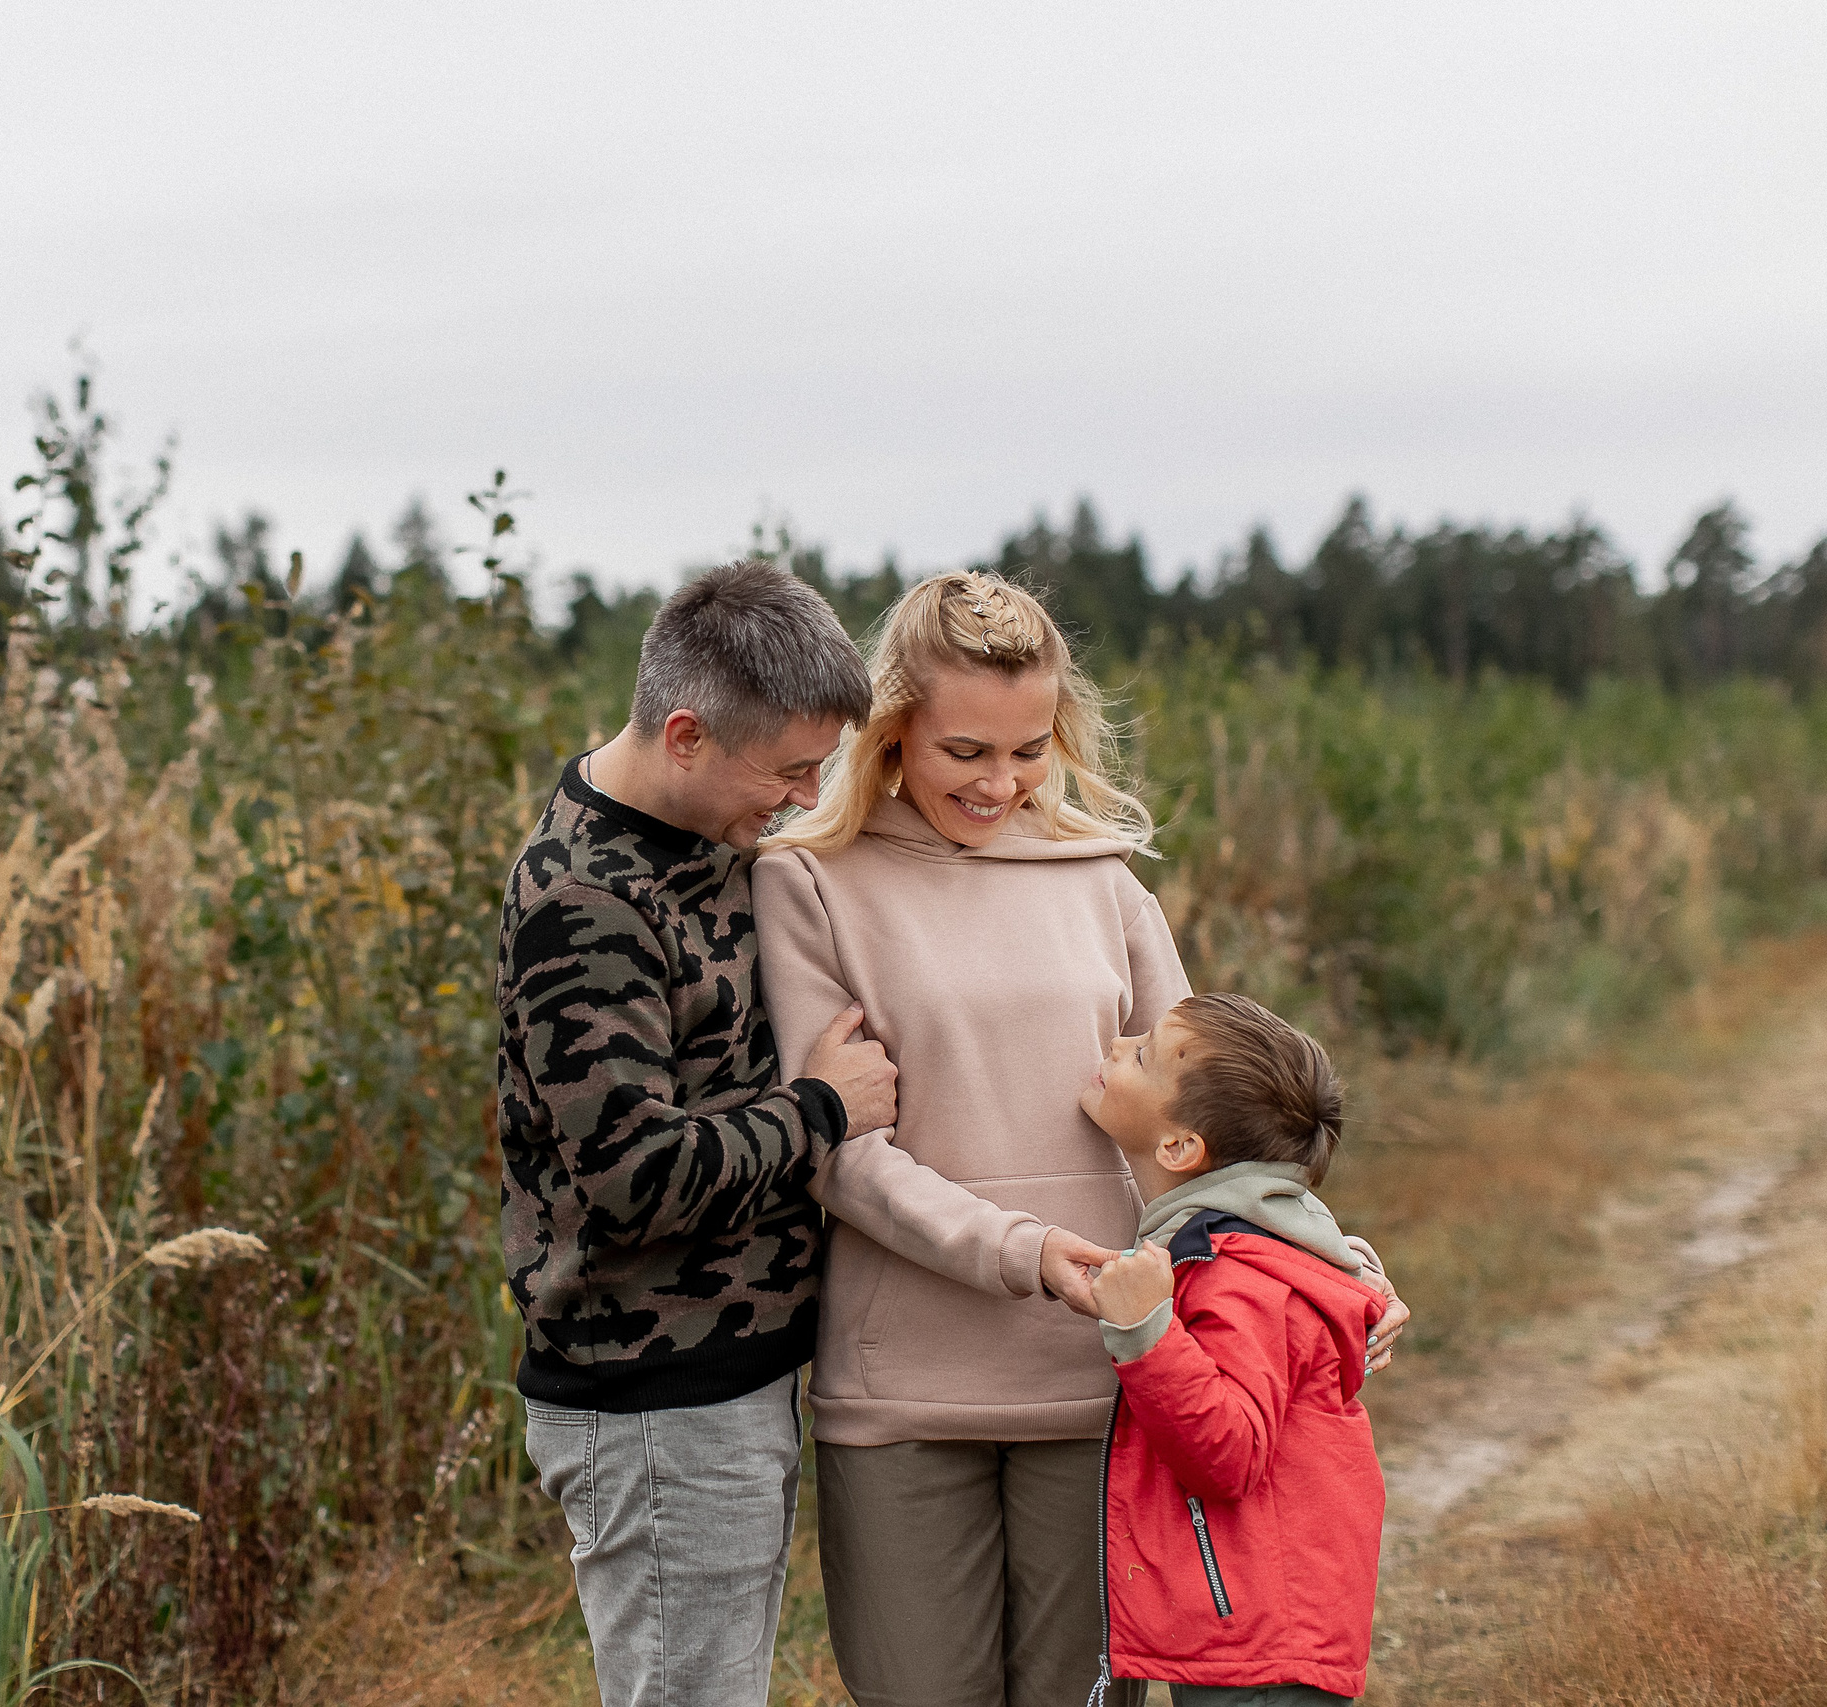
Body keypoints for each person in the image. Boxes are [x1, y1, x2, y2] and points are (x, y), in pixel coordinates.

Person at [752, 571, 1407, 1707]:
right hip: (902, 1391)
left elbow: (1213, 1124)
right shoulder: (808, 878)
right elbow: (836, 1149)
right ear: (892, 723)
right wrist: (1026, 1251)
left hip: (1109, 1379)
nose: (1000, 783)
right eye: (966, 751)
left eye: (1028, 748)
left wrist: (1333, 1267)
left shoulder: (1101, 878)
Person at [498, 559, 897, 1707]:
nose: (799, 796)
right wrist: (823, 1108)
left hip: (725, 1382)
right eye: (786, 772)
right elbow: (630, 1174)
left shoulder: (694, 836)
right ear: (684, 734)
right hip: (655, 1401)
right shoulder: (588, 900)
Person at [1080, 993, 1389, 1707]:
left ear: (1180, 1147)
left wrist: (1145, 1330)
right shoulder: (1244, 1241)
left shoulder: (1241, 1270)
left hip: (1261, 1646)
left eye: (1143, 1053)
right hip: (1258, 1627)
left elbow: (1227, 1448)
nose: (1119, 1041)